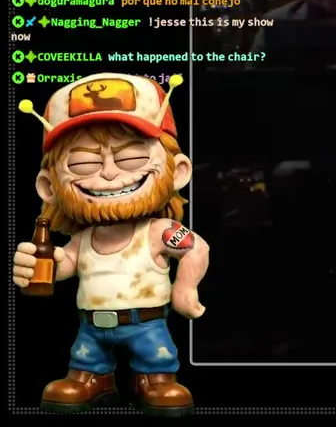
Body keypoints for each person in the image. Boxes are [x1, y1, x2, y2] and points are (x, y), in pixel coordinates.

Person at [12, 74, 206, 416]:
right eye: (83, 163)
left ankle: (154, 380)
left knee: (156, 359)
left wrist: (185, 288)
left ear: (178, 171)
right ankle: (93, 380)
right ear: (48, 187)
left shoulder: (159, 232)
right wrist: (35, 269)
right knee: (85, 359)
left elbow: (196, 249)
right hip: (91, 325)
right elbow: (62, 264)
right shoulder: (83, 239)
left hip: (146, 323)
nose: (109, 173)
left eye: (130, 158)